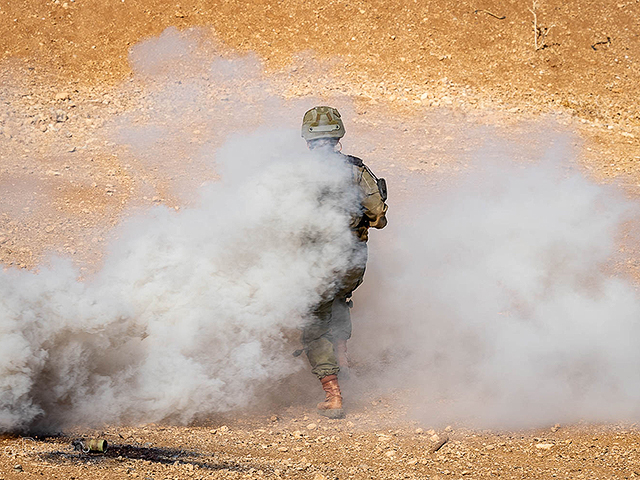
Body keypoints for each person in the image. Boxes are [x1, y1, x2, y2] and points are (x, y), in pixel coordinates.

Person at [300, 106, 388, 419]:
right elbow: (378, 217)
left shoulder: (294, 173)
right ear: (338, 136)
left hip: (316, 266)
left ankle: (333, 395)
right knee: (339, 301)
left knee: (314, 324)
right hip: (353, 263)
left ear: (307, 139)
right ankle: (344, 364)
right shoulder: (356, 170)